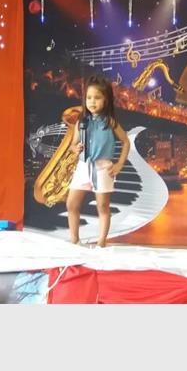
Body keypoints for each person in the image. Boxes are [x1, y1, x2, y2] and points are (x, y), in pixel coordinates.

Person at [66, 75, 130, 248]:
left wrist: (119, 164)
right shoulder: (81, 121)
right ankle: (75, 241)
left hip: (103, 167)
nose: (92, 101)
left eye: (97, 97)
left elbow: (125, 141)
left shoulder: (110, 121)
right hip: (83, 166)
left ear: (106, 100)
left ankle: (101, 243)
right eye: (89, 97)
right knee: (71, 203)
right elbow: (73, 144)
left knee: (102, 206)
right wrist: (75, 148)